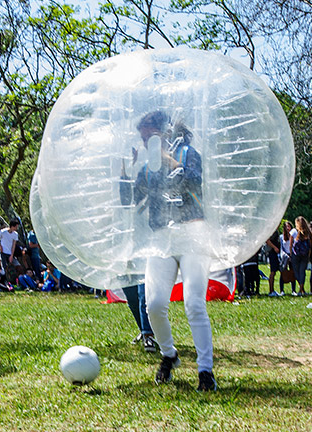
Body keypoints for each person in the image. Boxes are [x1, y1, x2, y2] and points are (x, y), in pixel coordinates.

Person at [132, 111, 216, 391]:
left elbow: (194, 181)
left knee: (194, 303)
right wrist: (127, 171)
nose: (146, 144)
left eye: (150, 138)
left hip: (193, 233)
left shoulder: (188, 152)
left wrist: (168, 160)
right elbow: (131, 200)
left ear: (165, 133)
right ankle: (169, 355)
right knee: (154, 305)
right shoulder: (147, 166)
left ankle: (205, 370)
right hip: (161, 239)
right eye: (143, 140)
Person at [123, 284, 157, 352]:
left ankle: (148, 334)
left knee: (144, 295)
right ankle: (143, 331)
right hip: (125, 273)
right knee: (132, 299)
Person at [290, 216, 312, 296]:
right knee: (302, 271)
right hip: (305, 255)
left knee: (296, 272)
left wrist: (290, 254)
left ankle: (300, 288)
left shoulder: (294, 231)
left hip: (296, 254)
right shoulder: (307, 232)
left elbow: (291, 244)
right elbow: (310, 245)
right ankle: (301, 289)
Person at [266, 228, 281, 297]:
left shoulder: (276, 231)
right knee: (273, 271)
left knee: (275, 271)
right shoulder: (272, 230)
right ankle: (271, 290)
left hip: (276, 253)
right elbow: (267, 241)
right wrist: (275, 247)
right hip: (272, 253)